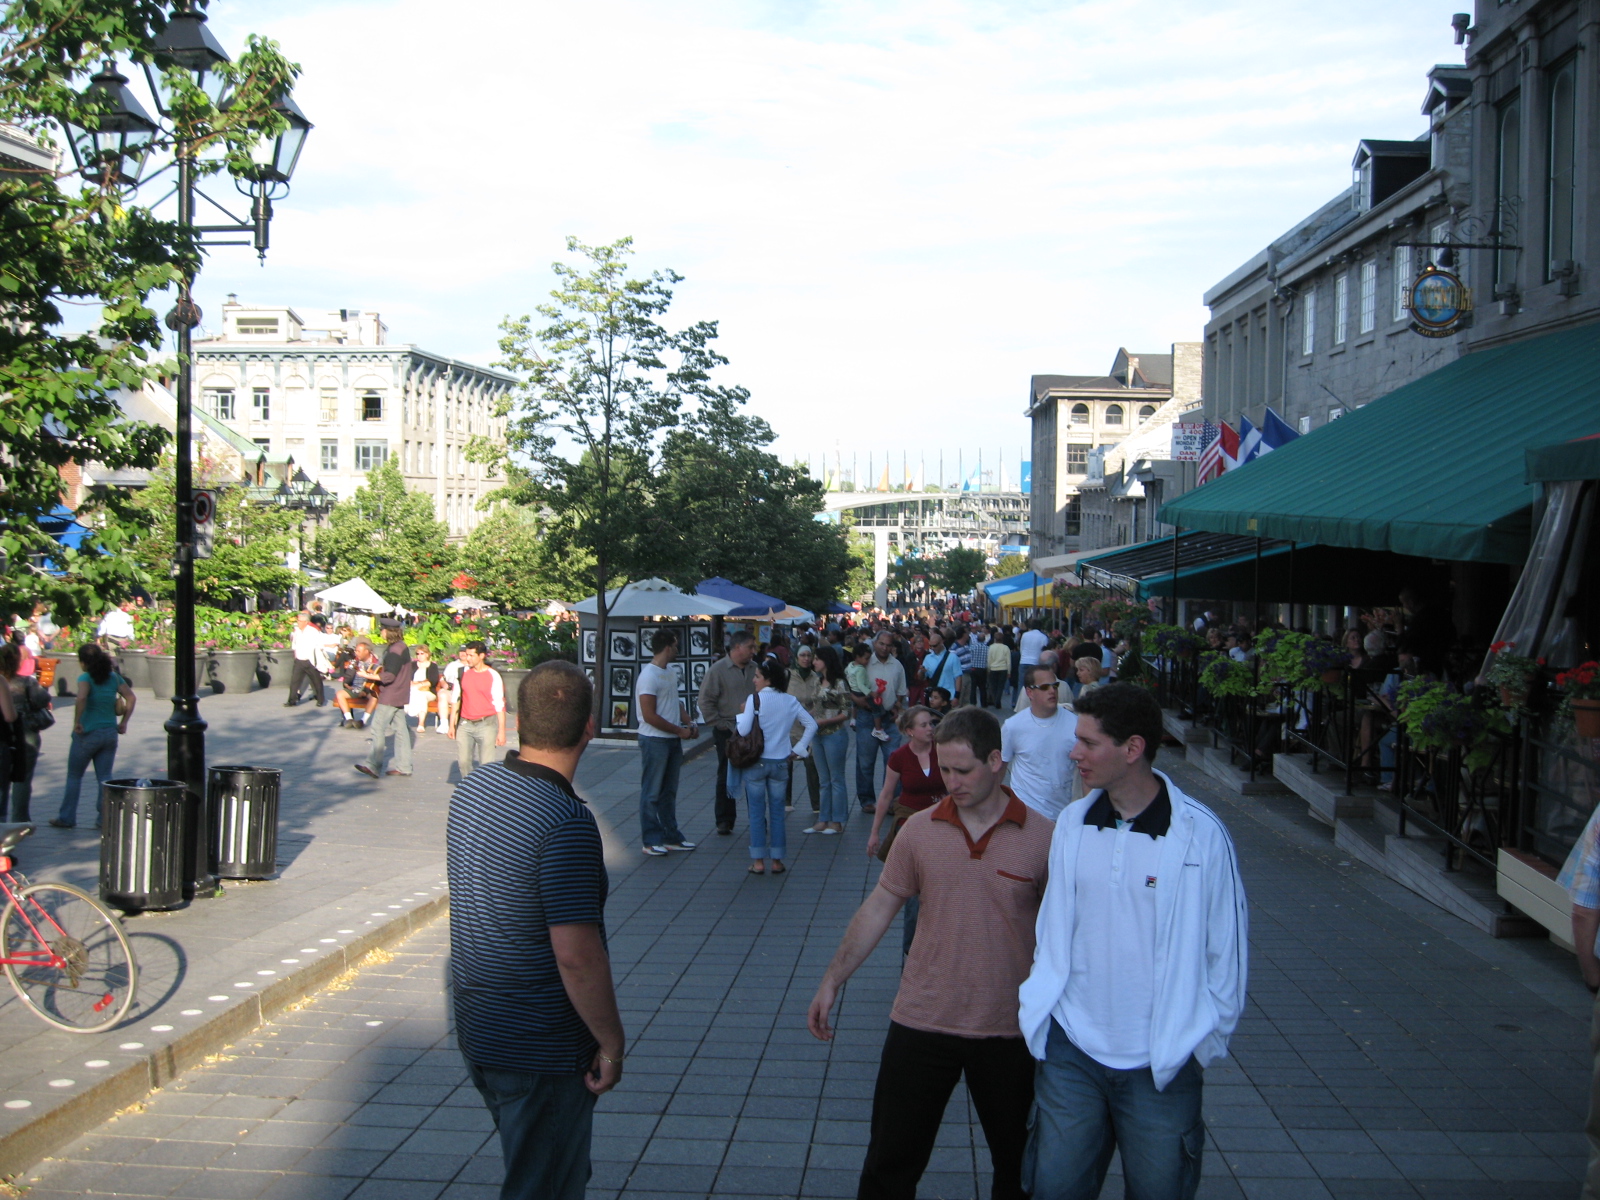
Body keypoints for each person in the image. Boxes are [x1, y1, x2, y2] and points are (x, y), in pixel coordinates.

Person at [808, 707, 1052, 1200]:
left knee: (1019, 1170)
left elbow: (1065, 937)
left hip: (1009, 1029)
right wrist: (832, 979)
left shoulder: (1044, 838)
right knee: (888, 1166)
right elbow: (880, 906)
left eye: (963, 770)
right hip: (922, 1020)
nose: (951, 782)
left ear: (996, 761)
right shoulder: (919, 831)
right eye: (944, 769)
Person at [1019, 683, 1248, 1200]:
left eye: (1088, 742)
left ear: (1132, 748)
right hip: (1071, 1051)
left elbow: (1227, 951)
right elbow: (1052, 928)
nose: (1074, 753)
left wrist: (1199, 1042)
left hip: (1161, 1061)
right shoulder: (1073, 823)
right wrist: (1042, 1009)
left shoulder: (1201, 835)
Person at [447, 662, 624, 1200]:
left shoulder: (474, 788)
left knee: (538, 1168)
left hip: (481, 1029)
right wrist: (611, 1042)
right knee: (545, 1185)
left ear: (520, 719)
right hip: (540, 1047)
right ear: (589, 726)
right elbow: (576, 954)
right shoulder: (565, 821)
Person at [731, 658, 816, 876]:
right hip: (781, 762)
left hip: (756, 762)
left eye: (757, 676)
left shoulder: (754, 700)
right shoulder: (790, 700)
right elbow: (811, 724)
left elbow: (743, 730)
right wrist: (799, 748)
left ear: (768, 679)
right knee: (778, 813)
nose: (754, 680)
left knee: (756, 813)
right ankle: (777, 860)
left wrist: (741, 713)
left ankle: (758, 861)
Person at [51, 643, 134, 829]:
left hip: (88, 733)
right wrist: (124, 722)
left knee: (74, 776)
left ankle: (67, 817)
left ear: (83, 662)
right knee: (104, 777)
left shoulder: (85, 678)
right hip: (110, 733)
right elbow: (131, 697)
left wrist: (77, 721)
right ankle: (104, 818)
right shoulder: (114, 677)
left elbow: (81, 697)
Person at [634, 629, 697, 857]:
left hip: (670, 740)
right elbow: (649, 715)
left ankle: (671, 836)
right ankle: (651, 840)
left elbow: (674, 702)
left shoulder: (669, 672)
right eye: (676, 645)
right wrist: (679, 730)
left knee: (668, 791)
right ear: (668, 647)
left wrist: (689, 721)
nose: (678, 650)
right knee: (652, 792)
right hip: (654, 740)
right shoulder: (648, 676)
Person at [697, 631, 757, 837]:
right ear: (737, 647)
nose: (753, 651)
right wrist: (719, 724)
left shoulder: (755, 669)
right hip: (728, 730)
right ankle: (724, 819)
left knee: (755, 774)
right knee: (726, 774)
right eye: (750, 647)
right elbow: (705, 700)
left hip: (752, 729)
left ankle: (757, 818)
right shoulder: (718, 670)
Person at [1002, 664, 1078, 820]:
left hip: (1063, 814)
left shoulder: (1076, 725)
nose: (1052, 691)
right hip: (1026, 812)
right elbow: (999, 768)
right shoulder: (1013, 726)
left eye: (1055, 686)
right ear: (1029, 692)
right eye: (1044, 687)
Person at [802, 645, 854, 836]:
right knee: (823, 779)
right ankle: (823, 819)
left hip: (834, 734)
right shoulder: (818, 682)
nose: (813, 662)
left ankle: (837, 821)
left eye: (817, 659)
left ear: (827, 661)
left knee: (836, 778)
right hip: (818, 734)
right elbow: (817, 707)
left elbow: (846, 712)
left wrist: (824, 721)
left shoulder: (839, 683)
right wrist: (806, 716)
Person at [355, 617, 415, 778]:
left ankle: (373, 765)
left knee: (377, 728)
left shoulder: (395, 650)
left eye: (382, 629)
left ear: (389, 632)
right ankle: (404, 766)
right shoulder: (401, 646)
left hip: (390, 694)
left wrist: (366, 675)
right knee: (401, 730)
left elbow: (389, 676)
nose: (381, 632)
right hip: (400, 694)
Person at [856, 632, 909, 814]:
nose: (884, 648)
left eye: (888, 645)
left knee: (893, 761)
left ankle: (892, 801)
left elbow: (901, 690)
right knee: (865, 762)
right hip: (867, 717)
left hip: (889, 719)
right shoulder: (865, 662)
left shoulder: (897, 665)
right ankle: (867, 800)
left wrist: (898, 705)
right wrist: (859, 701)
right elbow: (853, 685)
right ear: (874, 643)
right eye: (881, 644)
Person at [0, 643, 50, 821]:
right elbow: (43, 699)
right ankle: (19, 819)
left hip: (5, 736)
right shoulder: (26, 682)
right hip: (24, 733)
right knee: (22, 778)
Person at [451, 640, 507, 780]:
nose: (468, 658)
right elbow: (456, 700)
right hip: (465, 723)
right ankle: (468, 786)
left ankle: (484, 789)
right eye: (466, 655)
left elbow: (499, 704)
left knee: (486, 764)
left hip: (486, 723)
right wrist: (452, 724)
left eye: (471, 655)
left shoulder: (493, 675)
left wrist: (501, 731)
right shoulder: (463, 673)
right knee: (463, 762)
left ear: (481, 656)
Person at [787, 645, 824, 816]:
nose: (806, 659)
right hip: (790, 728)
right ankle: (786, 801)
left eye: (809, 655)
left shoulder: (816, 678)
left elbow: (820, 702)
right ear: (796, 657)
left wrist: (812, 713)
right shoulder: (788, 676)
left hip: (808, 728)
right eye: (802, 655)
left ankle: (816, 805)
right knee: (786, 764)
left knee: (812, 765)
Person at [285, 610, 335, 707]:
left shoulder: (313, 631)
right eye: (298, 620)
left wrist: (318, 658)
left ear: (306, 622)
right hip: (299, 660)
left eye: (300, 621)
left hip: (310, 660)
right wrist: (295, 654)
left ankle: (320, 699)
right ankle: (291, 700)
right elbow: (294, 643)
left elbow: (319, 645)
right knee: (294, 681)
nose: (298, 622)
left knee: (316, 680)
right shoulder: (297, 631)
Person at [847, 641, 891, 742]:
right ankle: (878, 729)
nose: (868, 661)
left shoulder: (851, 665)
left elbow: (846, 673)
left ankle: (853, 719)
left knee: (854, 705)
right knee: (876, 709)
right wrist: (871, 693)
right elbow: (861, 685)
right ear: (857, 657)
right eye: (866, 658)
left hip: (853, 691)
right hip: (861, 692)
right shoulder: (861, 669)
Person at [333, 640, 380, 729]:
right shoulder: (355, 661)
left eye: (358, 651)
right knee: (340, 694)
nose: (356, 653)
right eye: (356, 651)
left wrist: (365, 691)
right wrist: (346, 684)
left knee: (374, 697)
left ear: (366, 651)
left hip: (369, 689)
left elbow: (378, 680)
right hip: (355, 688)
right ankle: (349, 719)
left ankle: (363, 720)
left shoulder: (375, 662)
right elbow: (348, 675)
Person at [407, 644, 445, 732]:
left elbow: (432, 681)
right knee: (417, 695)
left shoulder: (432, 666)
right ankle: (420, 722)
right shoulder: (412, 665)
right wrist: (414, 684)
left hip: (428, 691)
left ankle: (420, 723)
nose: (419, 656)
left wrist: (419, 684)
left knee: (421, 695)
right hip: (413, 690)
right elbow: (407, 678)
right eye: (418, 654)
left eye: (422, 653)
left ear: (427, 654)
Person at [987, 628, 1013, 709]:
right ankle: (998, 700)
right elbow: (1008, 661)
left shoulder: (991, 647)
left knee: (993, 686)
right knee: (1000, 687)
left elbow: (989, 660)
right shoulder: (1006, 648)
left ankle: (995, 700)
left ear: (995, 639)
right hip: (1003, 669)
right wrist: (1009, 671)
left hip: (993, 669)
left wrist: (988, 669)